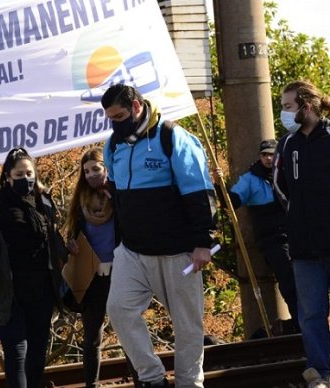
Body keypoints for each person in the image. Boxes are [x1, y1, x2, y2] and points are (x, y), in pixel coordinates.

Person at [101, 84, 216, 388]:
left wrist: (203, 242)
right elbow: (116, 192)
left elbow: (199, 190)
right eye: (110, 118)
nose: (116, 122)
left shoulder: (172, 137)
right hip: (133, 250)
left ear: (137, 107)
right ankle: (152, 379)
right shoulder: (113, 145)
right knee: (119, 309)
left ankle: (190, 383)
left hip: (178, 251)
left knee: (188, 325)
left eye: (120, 115)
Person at [0, 147, 67, 388]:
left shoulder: (44, 201)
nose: (25, 179)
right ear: (7, 176)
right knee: (17, 351)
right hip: (7, 292)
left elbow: (53, 235)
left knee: (38, 352)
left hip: (41, 289)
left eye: (29, 173)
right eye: (19, 174)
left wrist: (63, 254)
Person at [273, 80, 330, 387]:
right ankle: (320, 372)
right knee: (310, 314)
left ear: (307, 107)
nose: (282, 113)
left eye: (287, 107)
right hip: (303, 247)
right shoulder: (287, 144)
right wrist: (296, 216)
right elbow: (280, 188)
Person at [215, 139, 299, 333]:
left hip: (297, 235)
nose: (269, 158)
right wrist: (220, 187)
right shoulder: (251, 179)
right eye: (265, 155)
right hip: (273, 239)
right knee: (289, 281)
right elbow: (232, 202)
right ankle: (300, 323)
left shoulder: (289, 173)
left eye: (272, 154)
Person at [62, 147, 121, 388]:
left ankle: (144, 380)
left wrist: (116, 197)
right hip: (92, 278)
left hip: (120, 274)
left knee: (129, 332)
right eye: (86, 171)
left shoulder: (119, 197)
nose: (91, 175)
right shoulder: (80, 204)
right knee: (91, 339)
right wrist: (71, 246)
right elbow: (72, 235)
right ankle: (92, 385)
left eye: (95, 169)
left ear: (106, 168)